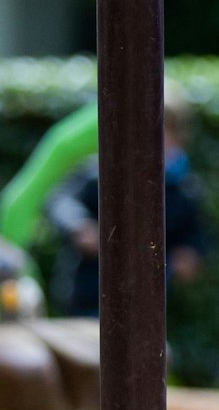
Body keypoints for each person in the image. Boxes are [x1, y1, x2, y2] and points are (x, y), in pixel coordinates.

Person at [44, 85, 205, 317]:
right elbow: (61, 200)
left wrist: (190, 253)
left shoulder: (183, 188)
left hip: (149, 301)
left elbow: (195, 232)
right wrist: (79, 226)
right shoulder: (101, 172)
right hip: (90, 293)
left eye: (165, 131)